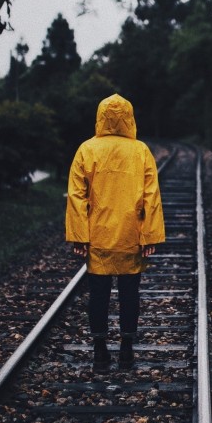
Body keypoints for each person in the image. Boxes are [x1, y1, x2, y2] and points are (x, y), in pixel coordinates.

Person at [65, 94, 165, 370]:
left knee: (98, 294)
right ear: (129, 118)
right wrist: (150, 236)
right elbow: (151, 196)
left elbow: (76, 195)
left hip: (98, 237)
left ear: (100, 116)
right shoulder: (141, 151)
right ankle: (126, 350)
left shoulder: (86, 149)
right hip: (130, 236)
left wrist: (79, 236)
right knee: (129, 293)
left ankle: (99, 352)